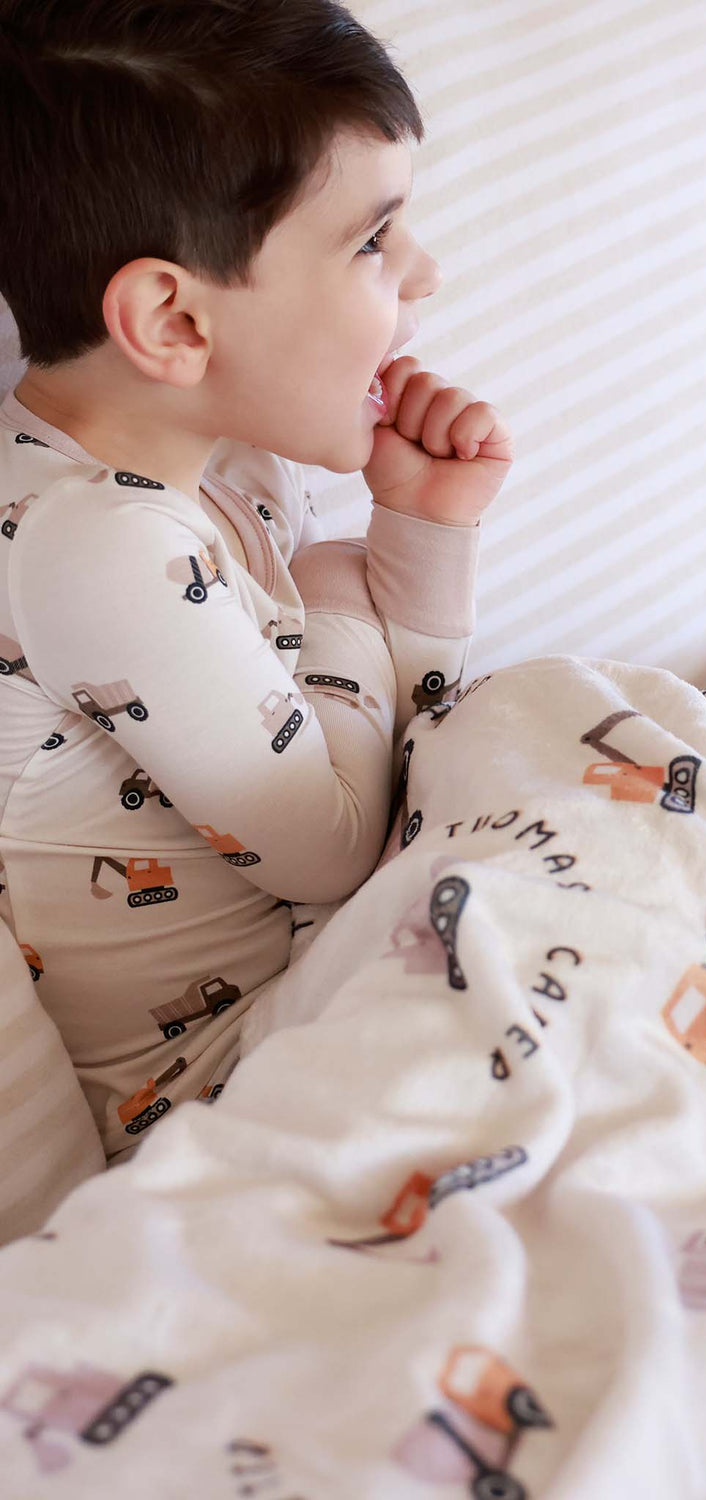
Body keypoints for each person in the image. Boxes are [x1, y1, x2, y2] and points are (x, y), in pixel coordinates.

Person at [0, 0, 514, 1164]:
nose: (427, 271)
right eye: (374, 240)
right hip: (220, 1097)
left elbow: (386, 748)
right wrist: (365, 582)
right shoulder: (91, 546)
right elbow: (341, 847)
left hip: (316, 994)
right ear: (173, 320)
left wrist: (404, 546)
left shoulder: (221, 465)